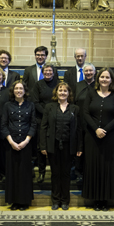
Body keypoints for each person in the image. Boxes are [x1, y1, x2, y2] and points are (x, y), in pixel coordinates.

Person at [82, 68, 114, 211]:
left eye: (107, 77)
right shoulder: (91, 93)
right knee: (94, 167)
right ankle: (96, 200)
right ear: (97, 79)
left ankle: (106, 200)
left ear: (111, 79)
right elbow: (85, 112)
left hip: (111, 138)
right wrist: (96, 129)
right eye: (102, 77)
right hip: (92, 137)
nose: (104, 79)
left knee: (108, 168)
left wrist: (105, 130)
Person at [40, 82, 82, 210]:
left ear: (69, 93)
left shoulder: (75, 108)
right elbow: (43, 127)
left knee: (66, 174)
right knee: (55, 174)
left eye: (65, 91)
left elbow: (79, 129)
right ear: (56, 93)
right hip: (53, 145)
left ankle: (65, 201)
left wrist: (79, 147)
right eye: (60, 90)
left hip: (69, 147)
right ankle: (55, 200)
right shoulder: (49, 107)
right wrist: (43, 146)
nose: (62, 93)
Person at [1, 81, 37, 211]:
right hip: (11, 144)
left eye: (21, 88)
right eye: (16, 88)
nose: (18, 91)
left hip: (25, 144)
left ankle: (24, 201)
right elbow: (4, 125)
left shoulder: (30, 105)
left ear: (25, 91)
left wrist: (26, 141)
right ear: (13, 91)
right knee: (12, 173)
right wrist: (11, 142)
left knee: (25, 173)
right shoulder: (7, 105)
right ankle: (14, 201)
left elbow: (33, 124)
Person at [31, 64, 58, 183]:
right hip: (41, 119)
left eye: (50, 71)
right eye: (45, 71)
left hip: (56, 119)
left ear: (53, 72)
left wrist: (52, 116)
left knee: (54, 147)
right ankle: (41, 173)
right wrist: (46, 114)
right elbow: (35, 102)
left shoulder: (58, 84)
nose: (48, 72)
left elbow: (61, 100)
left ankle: (55, 173)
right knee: (41, 147)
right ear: (42, 72)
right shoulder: (38, 85)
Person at [73, 62, 96, 182]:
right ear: (83, 72)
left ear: (94, 72)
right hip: (80, 120)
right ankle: (78, 171)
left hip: (93, 122)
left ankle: (90, 172)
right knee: (79, 147)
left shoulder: (98, 85)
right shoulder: (78, 85)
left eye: (91, 71)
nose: (88, 73)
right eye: (86, 71)